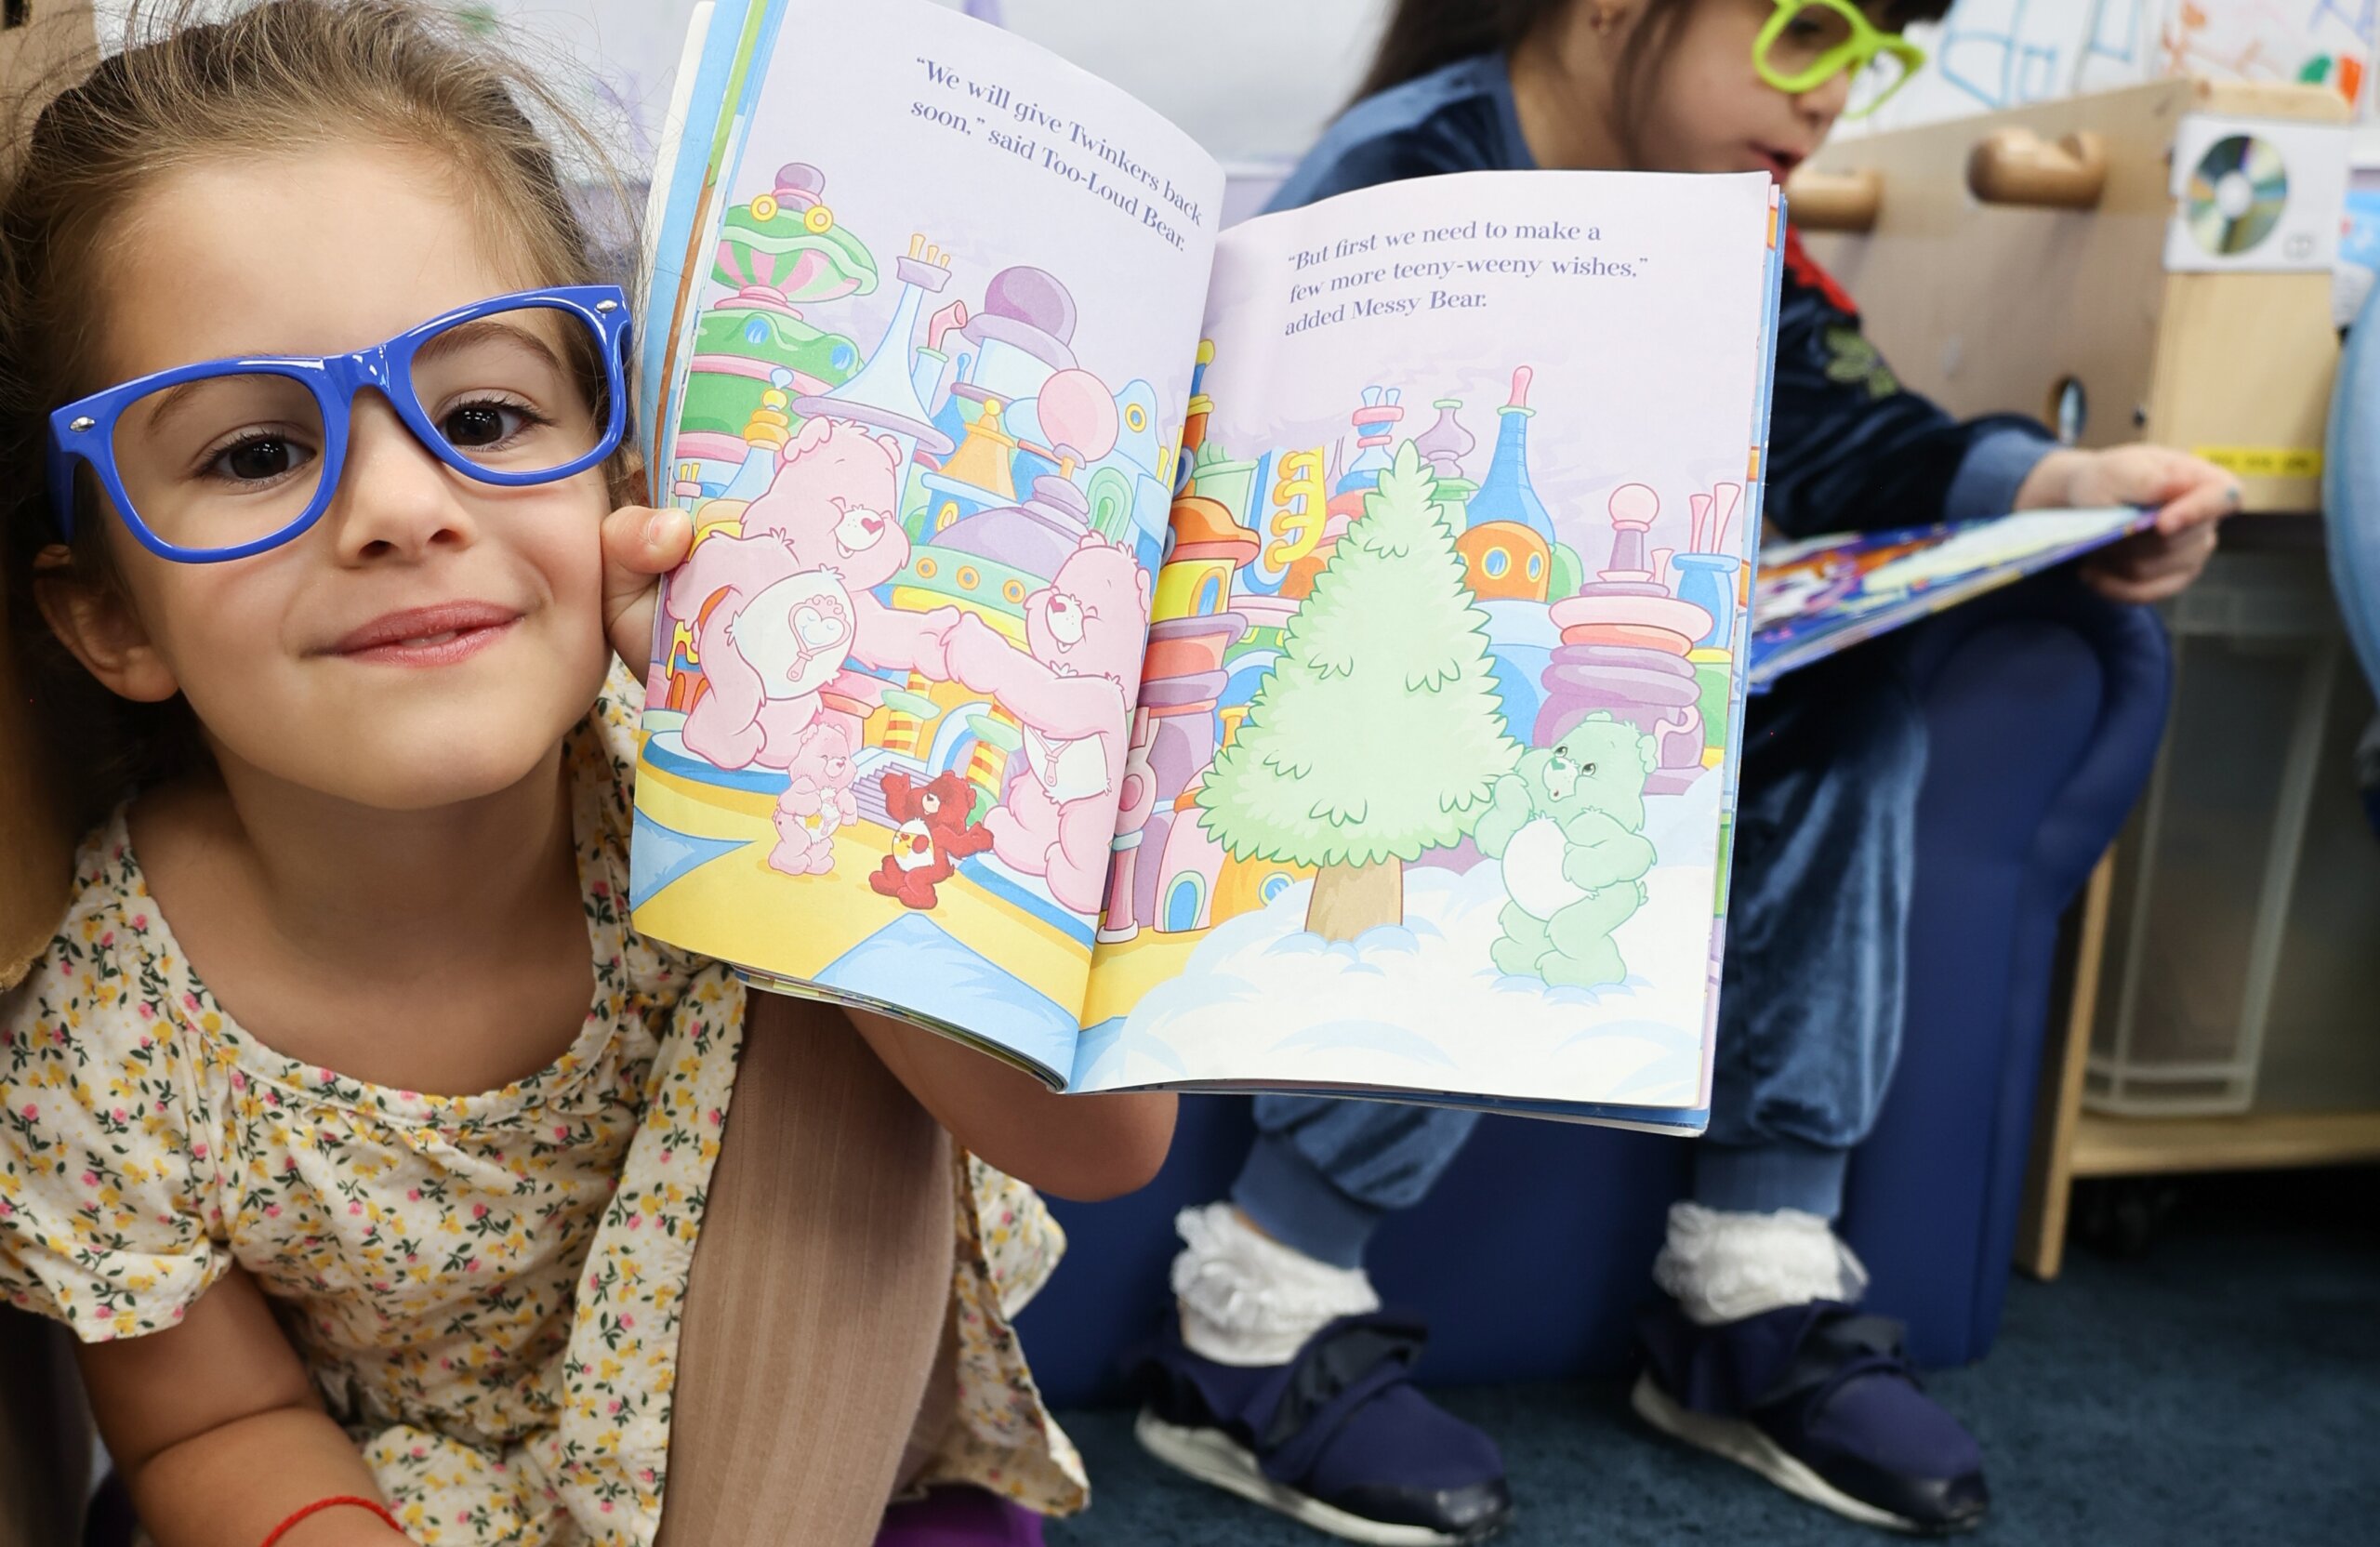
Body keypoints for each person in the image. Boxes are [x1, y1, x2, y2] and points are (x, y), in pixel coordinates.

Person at [0, 5, 1177, 1545]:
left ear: (623, 480)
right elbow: (221, 1422)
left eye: (487, 415)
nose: (403, 504)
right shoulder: (101, 1035)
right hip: (415, 1505)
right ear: (107, 618)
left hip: (841, 1476)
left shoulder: (724, 784)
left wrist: (768, 759)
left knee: (814, 991)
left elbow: (1104, 1147)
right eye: (252, 455)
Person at [1128, 2, 2237, 1540]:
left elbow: (1849, 431)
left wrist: (2067, 485)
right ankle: (1254, 1313)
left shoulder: (1728, 224)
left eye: (1873, 57)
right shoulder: (1411, 174)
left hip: (1590, 667)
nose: (1838, 96)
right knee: (1477, 749)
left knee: (1850, 716)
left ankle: (1753, 1288)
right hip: (1376, 681)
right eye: (1806, 31)